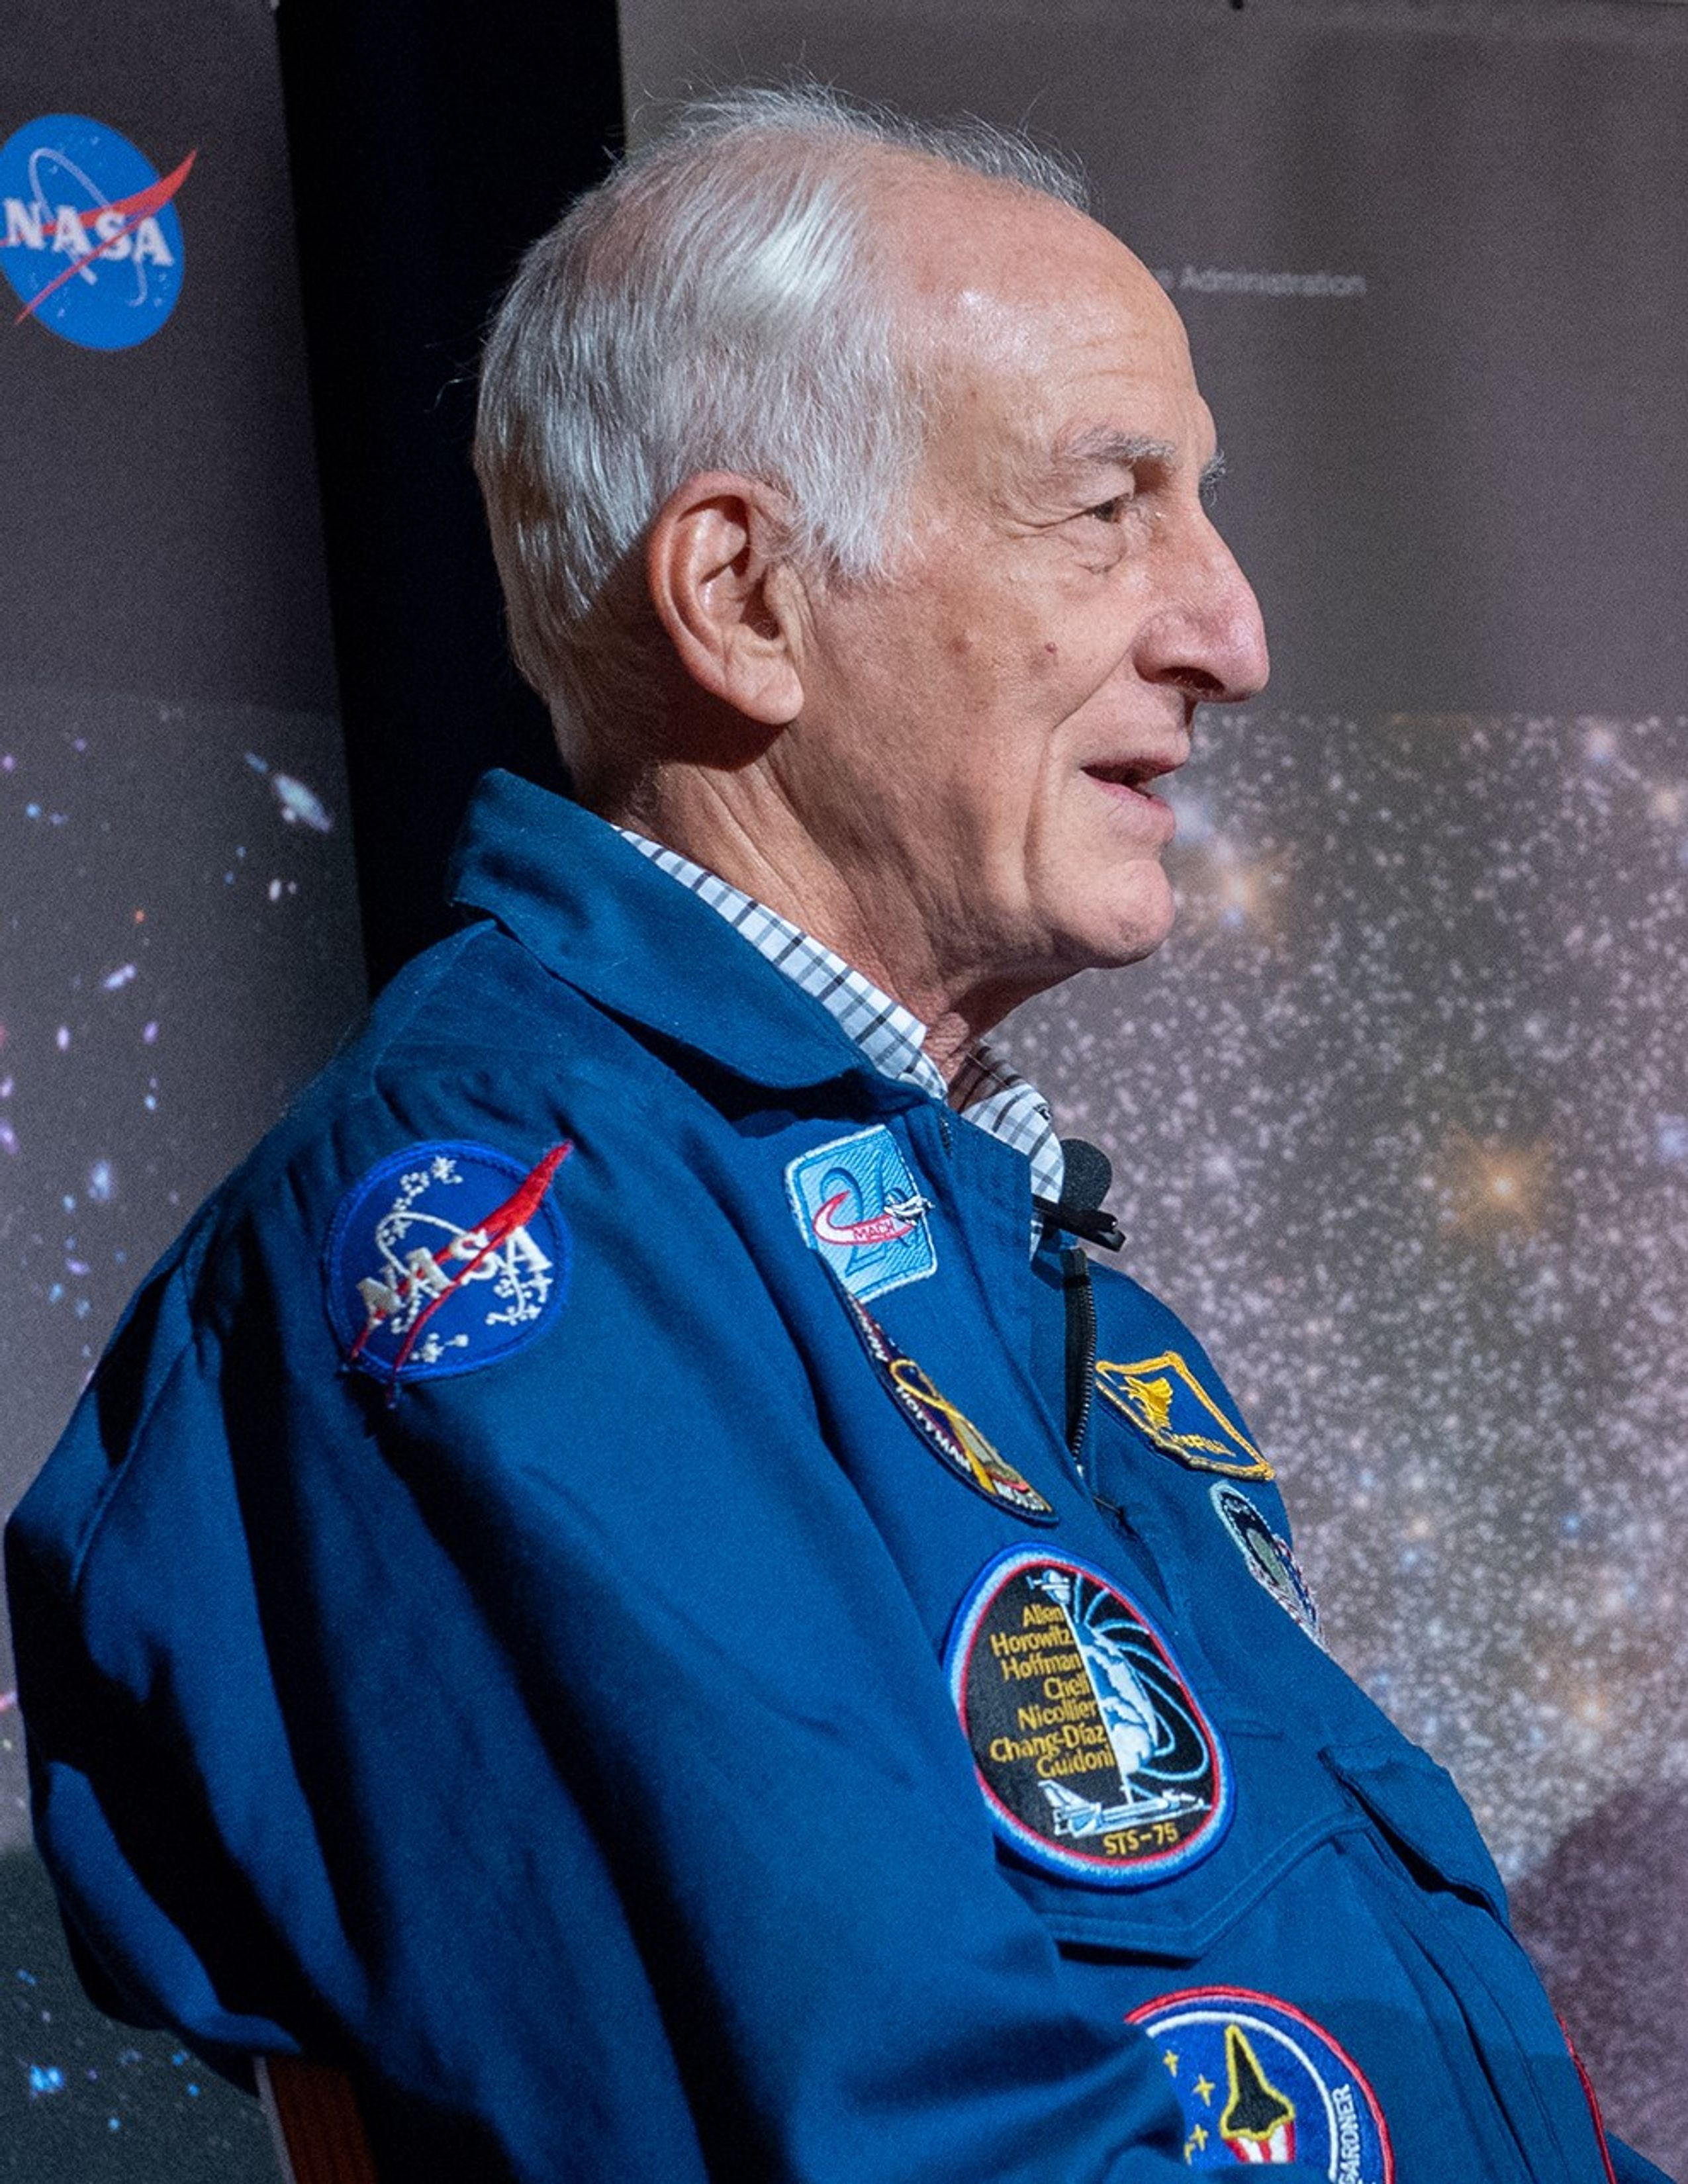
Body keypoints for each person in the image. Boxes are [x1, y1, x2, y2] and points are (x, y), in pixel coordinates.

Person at [5, 86, 1667, 2184]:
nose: (1233, 632)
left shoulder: (990, 1258)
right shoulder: (511, 1225)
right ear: (746, 598)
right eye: (1110, 508)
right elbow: (912, 2138)